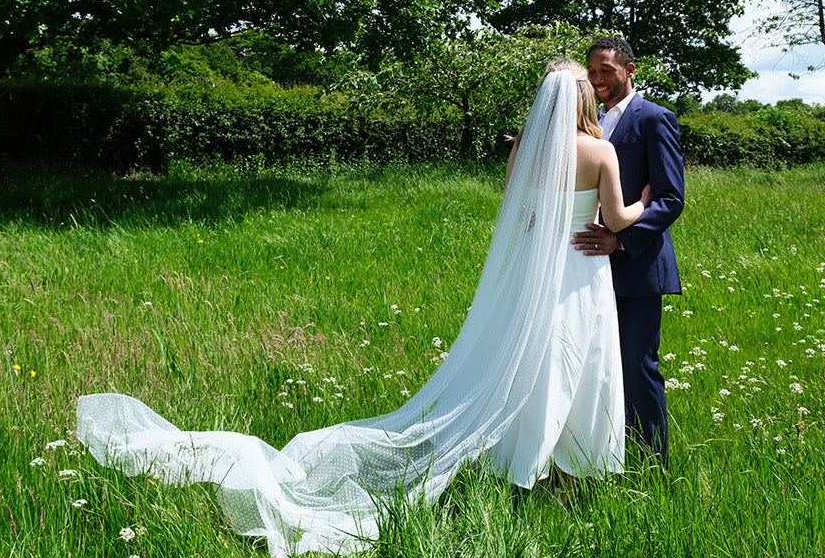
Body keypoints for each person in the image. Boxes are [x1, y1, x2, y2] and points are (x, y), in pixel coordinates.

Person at [77, 61, 648, 558]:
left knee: (528, 360)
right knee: (578, 363)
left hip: (533, 268)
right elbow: (618, 219)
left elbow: (515, 205)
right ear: (580, 99)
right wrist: (646, 199)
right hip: (580, 270)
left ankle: (524, 464)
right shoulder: (600, 150)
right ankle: (565, 473)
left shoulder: (526, 149)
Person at [572, 37, 685, 465]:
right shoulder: (591, 123)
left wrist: (620, 239)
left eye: (606, 70)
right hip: (586, 265)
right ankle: (603, 456)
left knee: (638, 369)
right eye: (592, 71)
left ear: (629, 69)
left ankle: (653, 467)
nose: (598, 78)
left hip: (637, 265)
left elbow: (670, 198)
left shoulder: (655, 119)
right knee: (597, 367)